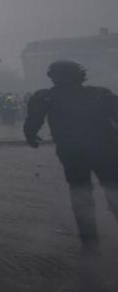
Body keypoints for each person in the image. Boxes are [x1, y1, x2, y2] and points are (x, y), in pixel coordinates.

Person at [24, 60, 118, 254]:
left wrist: (31, 137)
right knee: (113, 189)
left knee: (80, 193)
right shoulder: (100, 94)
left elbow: (33, 121)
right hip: (106, 150)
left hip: (72, 151)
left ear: (52, 76)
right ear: (80, 75)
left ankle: (89, 241)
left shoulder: (46, 97)